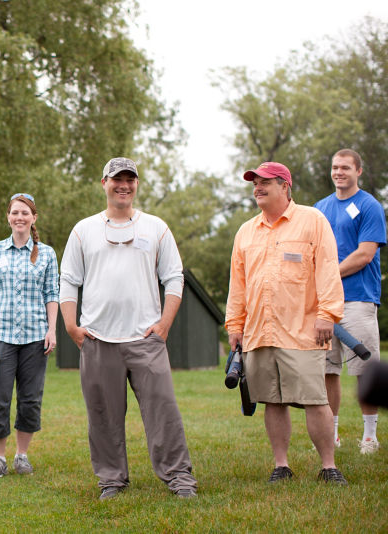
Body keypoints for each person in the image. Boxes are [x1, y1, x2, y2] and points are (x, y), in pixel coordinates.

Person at [59, 157, 197, 500]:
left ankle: (179, 478)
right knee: (103, 417)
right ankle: (112, 480)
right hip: (98, 339)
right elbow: (68, 281)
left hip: (146, 341)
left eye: (130, 179)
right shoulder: (83, 230)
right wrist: (72, 327)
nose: (124, 185)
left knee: (163, 411)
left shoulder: (155, 227)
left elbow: (174, 277)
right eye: (116, 179)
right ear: (103, 182)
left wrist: (164, 324)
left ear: (136, 184)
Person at [226, 161, 347, 485]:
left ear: (285, 186)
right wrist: (234, 326)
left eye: (265, 182)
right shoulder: (246, 232)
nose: (257, 188)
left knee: (315, 399)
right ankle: (281, 465)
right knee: (272, 400)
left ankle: (328, 466)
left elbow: (327, 270)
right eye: (254, 183)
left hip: (303, 331)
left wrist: (327, 315)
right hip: (259, 333)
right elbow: (237, 285)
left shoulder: (312, 221)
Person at [0, 193, 59, 478]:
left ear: (33, 217)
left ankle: (21, 456)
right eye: (15, 212)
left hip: (36, 337)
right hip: (0, 336)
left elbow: (52, 294)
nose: (19, 217)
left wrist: (52, 329)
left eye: (25, 212)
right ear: (8, 217)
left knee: (30, 398)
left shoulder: (46, 253)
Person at [314, 149, 385, 454]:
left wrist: (328, 274)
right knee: (328, 369)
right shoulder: (319, 209)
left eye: (345, 167)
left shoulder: (368, 206)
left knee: (363, 369)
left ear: (358, 171)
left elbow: (365, 253)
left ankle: (370, 436)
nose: (339, 172)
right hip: (324, 304)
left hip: (357, 298)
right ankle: (332, 434)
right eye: (334, 167)